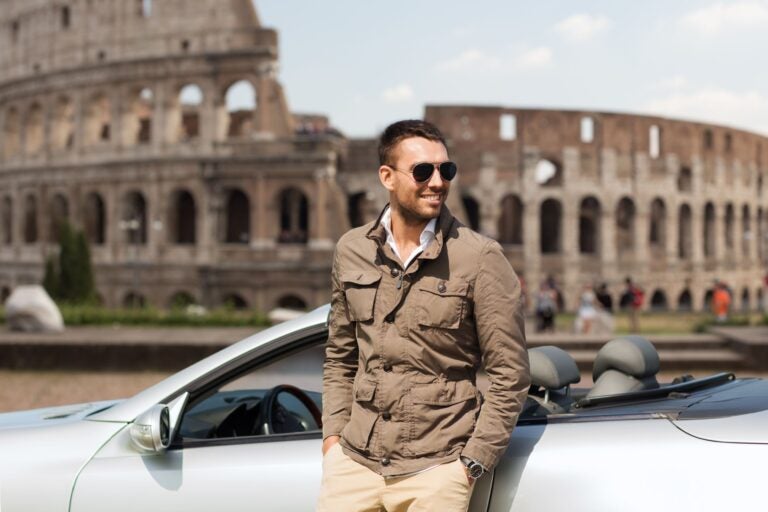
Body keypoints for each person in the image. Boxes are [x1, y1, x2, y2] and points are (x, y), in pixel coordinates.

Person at [318, 120, 530, 512]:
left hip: (437, 469)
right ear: (387, 176)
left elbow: (510, 373)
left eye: (445, 170)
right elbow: (340, 357)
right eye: (422, 171)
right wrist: (333, 439)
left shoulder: (480, 258)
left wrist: (471, 463)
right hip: (355, 464)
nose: (437, 181)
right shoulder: (351, 250)